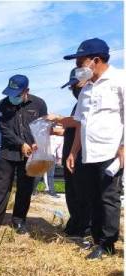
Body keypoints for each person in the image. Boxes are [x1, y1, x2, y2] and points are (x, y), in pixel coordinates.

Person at [51, 38, 124, 259]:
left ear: (96, 60)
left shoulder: (120, 80)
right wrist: (73, 151)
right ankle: (96, 239)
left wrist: (123, 147)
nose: (78, 68)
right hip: (88, 152)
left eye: (80, 62)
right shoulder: (87, 89)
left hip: (111, 151)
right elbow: (81, 122)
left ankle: (107, 244)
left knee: (108, 198)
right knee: (90, 196)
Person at [0, 75, 47, 234]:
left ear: (26, 91)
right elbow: (4, 129)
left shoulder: (39, 104)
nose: (13, 98)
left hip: (30, 154)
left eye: (17, 95)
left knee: (25, 189)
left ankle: (19, 221)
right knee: (1, 188)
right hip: (8, 153)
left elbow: (43, 126)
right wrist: (20, 143)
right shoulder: (2, 105)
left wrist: (39, 141)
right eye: (10, 94)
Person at [47, 69, 91, 239]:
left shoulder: (90, 101)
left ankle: (85, 228)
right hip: (69, 153)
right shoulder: (78, 103)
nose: (73, 89)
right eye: (71, 86)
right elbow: (71, 129)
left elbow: (79, 121)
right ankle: (75, 224)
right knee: (71, 191)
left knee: (82, 192)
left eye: (75, 85)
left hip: (80, 154)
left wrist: (58, 118)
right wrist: (54, 131)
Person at [33, 130, 62, 197]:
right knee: (44, 175)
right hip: (45, 155)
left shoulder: (57, 137)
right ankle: (51, 192)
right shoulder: (46, 134)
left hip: (49, 155)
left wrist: (59, 158)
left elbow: (59, 150)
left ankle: (34, 190)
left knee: (45, 175)